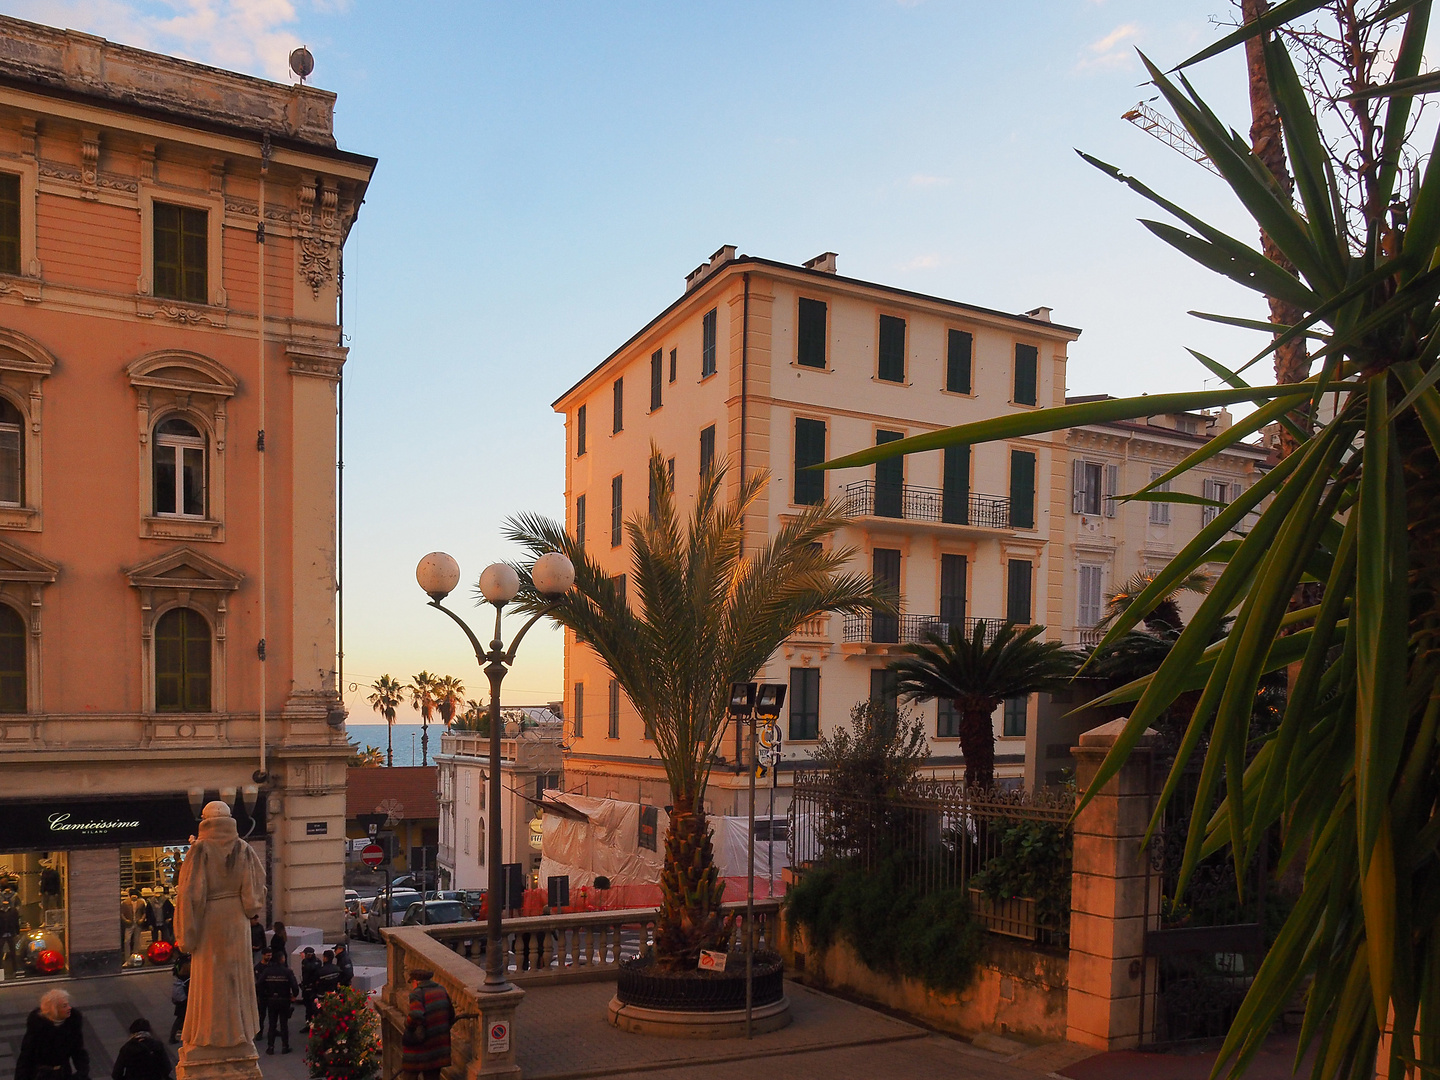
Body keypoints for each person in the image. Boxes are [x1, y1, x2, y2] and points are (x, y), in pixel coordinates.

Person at [173, 801, 266, 1058]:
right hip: (236, 921)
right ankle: (239, 1032)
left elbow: (191, 895)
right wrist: (247, 910)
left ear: (204, 819)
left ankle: (211, 1034)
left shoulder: (199, 850)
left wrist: (186, 936)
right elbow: (254, 893)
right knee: (236, 977)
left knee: (210, 978)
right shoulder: (243, 848)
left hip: (209, 921)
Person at [16, 989, 90, 1080]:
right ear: (54, 1010)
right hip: (40, 1075)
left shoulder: (72, 1024)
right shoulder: (37, 1027)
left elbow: (78, 1051)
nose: (69, 1008)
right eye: (64, 1006)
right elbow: (26, 1056)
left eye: (68, 1004)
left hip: (63, 1073)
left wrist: (82, 1073)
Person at [401, 968, 453, 1080]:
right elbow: (451, 1014)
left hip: (421, 1048)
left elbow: (416, 1014)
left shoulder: (417, 994)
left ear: (416, 981)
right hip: (439, 1046)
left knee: (409, 1075)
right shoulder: (441, 990)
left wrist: (408, 1025)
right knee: (433, 1076)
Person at [254, 949, 299, 1055]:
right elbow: (295, 987)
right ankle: (285, 1046)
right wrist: (294, 996)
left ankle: (270, 1047)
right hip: (284, 999)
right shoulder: (287, 971)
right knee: (284, 1024)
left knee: (272, 1023)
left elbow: (259, 983)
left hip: (271, 999)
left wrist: (265, 993)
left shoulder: (267, 971)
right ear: (282, 959)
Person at [168, 954, 190, 1045]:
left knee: (181, 1017)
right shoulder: (187, 977)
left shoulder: (180, 962)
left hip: (180, 998)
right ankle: (172, 1037)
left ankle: (181, 1031)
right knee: (181, 1018)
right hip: (184, 1000)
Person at [298, 947, 321, 1030]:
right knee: (308, 1007)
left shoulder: (315, 962)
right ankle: (309, 1023)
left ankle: (314, 1024)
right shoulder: (312, 962)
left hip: (313, 988)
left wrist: (305, 959)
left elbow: (309, 969)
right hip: (306, 987)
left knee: (313, 1007)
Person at [122, 890, 146, 958]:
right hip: (129, 924)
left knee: (137, 940)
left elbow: (144, 912)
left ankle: (136, 955)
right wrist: (126, 920)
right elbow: (122, 914)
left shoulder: (141, 903)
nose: (134, 897)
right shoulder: (125, 903)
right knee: (127, 940)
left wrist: (142, 919)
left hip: (138, 923)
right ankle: (127, 957)